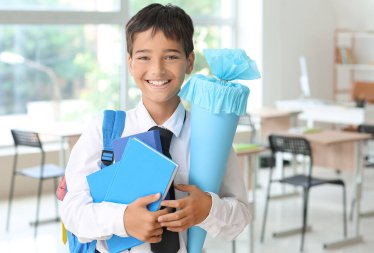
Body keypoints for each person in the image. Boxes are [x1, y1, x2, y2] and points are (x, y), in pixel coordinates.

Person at [60, 3, 250, 253]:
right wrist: (124, 219)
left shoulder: (211, 137)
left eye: (171, 56)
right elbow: (72, 211)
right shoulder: (104, 130)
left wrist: (208, 209)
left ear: (189, 62)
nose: (157, 69)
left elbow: (240, 218)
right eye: (144, 57)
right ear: (130, 63)